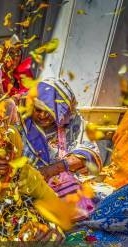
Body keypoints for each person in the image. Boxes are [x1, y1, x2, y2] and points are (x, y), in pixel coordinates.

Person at [22, 78, 101, 218]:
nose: (42, 116)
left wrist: (54, 169)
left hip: (60, 186)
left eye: (50, 112)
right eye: (38, 110)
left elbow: (90, 154)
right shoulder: (21, 122)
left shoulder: (71, 121)